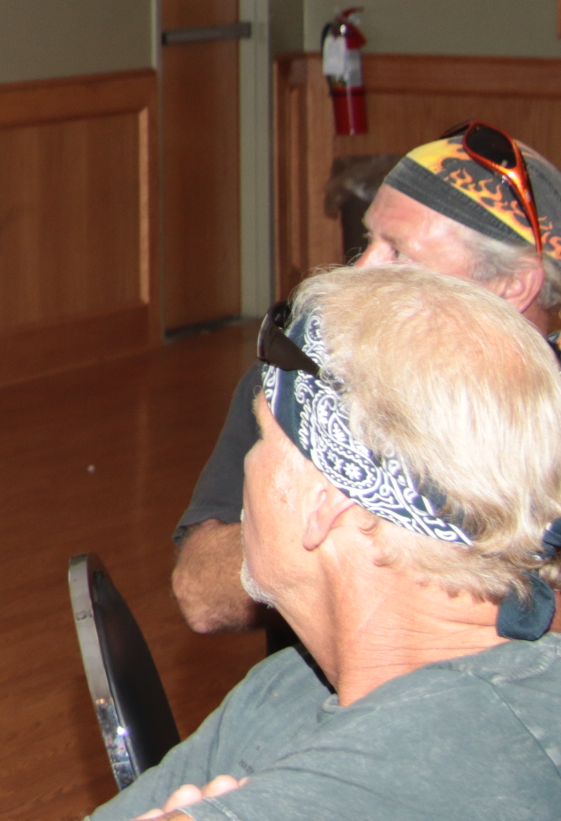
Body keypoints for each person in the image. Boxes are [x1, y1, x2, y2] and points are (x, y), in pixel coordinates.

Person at [96, 265, 561, 819]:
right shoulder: (296, 683)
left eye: (263, 436)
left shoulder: (446, 757)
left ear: (326, 501)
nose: (244, 470)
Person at [173, 129, 561, 634]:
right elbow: (201, 593)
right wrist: (355, 517)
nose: (361, 270)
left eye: (399, 253)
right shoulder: (304, 379)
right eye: (369, 238)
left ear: (513, 283)